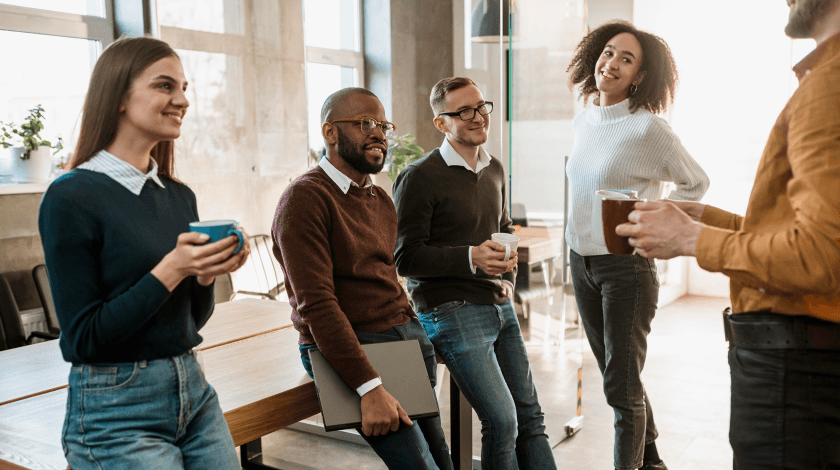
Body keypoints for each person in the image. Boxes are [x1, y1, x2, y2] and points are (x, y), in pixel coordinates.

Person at [615, 1, 840, 468]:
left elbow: (822, 255)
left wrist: (692, 240)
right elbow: (810, 233)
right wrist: (706, 220)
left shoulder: (829, 86)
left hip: (796, 377)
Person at [38, 36, 249, 469]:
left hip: (193, 390)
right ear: (117, 96)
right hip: (115, 408)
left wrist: (205, 274)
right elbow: (83, 339)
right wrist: (172, 268)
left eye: (184, 88)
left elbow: (187, 322)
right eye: (165, 86)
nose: (182, 100)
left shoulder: (178, 196)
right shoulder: (70, 197)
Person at [271, 87, 453, 470]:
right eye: (365, 123)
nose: (380, 134)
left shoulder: (379, 198)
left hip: (401, 340)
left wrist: (418, 332)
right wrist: (369, 387)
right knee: (420, 465)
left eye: (383, 125)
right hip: (356, 349)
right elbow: (317, 306)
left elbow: (386, 277)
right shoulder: (304, 200)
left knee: (440, 458)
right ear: (330, 133)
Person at [565, 21, 710, 470]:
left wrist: (652, 218)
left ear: (640, 77)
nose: (612, 63)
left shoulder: (649, 129)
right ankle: (653, 462)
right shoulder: (584, 118)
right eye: (608, 52)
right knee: (618, 375)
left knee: (619, 388)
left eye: (626, 59)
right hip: (581, 261)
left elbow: (696, 182)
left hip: (625, 268)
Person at [393, 77, 557, 470]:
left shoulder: (494, 169)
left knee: (531, 420)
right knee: (503, 422)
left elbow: (504, 230)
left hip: (498, 305)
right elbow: (406, 258)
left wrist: (506, 278)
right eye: (464, 111)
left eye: (482, 106)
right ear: (441, 123)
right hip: (451, 311)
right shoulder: (419, 176)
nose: (478, 116)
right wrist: (471, 258)